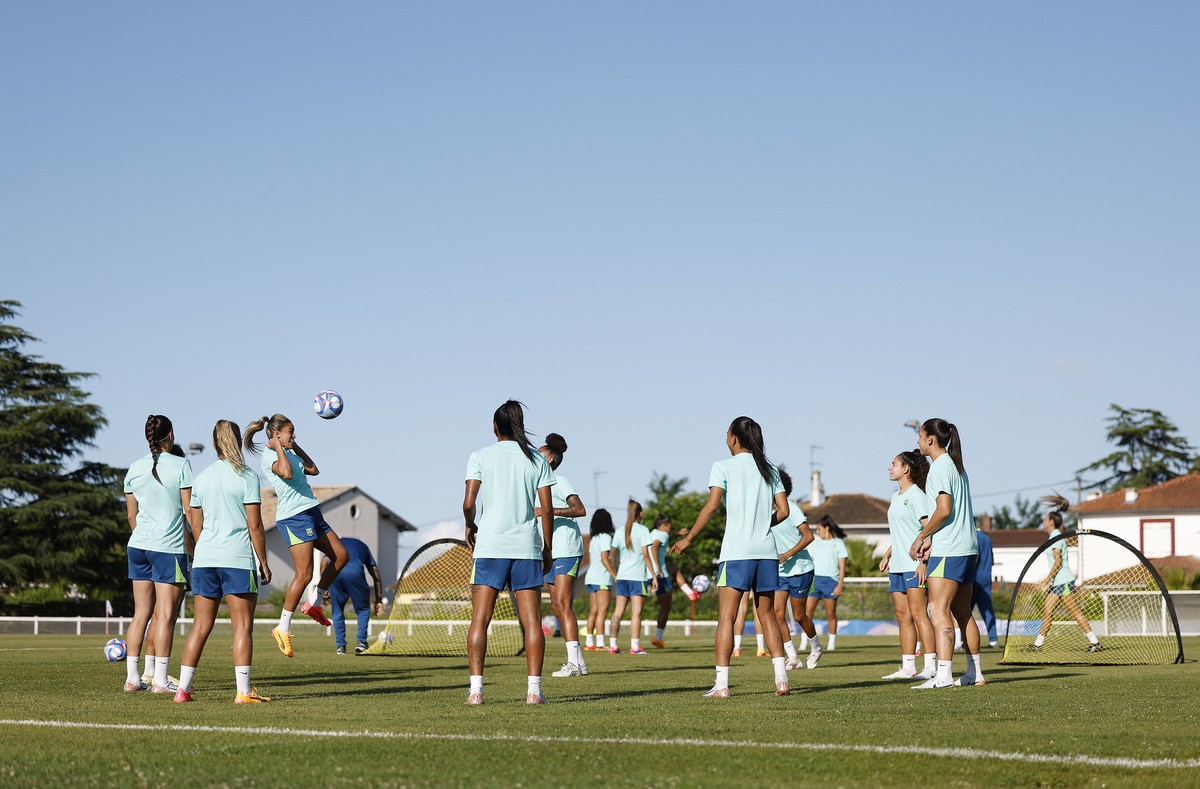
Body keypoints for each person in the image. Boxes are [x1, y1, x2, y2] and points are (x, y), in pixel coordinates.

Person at [671, 416, 791, 698]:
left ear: (735, 439)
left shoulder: (722, 466)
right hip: (767, 554)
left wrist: (689, 538)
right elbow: (783, 511)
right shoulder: (770, 469)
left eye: (726, 434)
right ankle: (782, 679)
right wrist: (763, 524)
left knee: (726, 616)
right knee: (768, 616)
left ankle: (722, 685)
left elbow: (711, 507)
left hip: (736, 553)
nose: (726, 439)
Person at [462, 400, 555, 705]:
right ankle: (533, 690)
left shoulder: (479, 456)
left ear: (494, 427)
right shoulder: (537, 460)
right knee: (531, 621)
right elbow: (548, 509)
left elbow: (468, 502)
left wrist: (470, 525)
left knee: (480, 619)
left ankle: (476, 690)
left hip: (490, 546)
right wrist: (548, 548)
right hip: (526, 548)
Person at [174, 420, 272, 704]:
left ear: (214, 443)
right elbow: (255, 527)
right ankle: (243, 692)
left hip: (205, 560)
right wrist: (263, 562)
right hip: (237, 560)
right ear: (237, 441)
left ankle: (183, 690)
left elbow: (196, 526)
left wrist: (203, 551)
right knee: (242, 626)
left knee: (200, 627)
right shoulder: (247, 477)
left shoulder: (202, 478)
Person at [245, 414, 349, 659]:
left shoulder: (290, 450)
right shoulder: (270, 456)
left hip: (311, 511)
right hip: (294, 518)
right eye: (291, 431)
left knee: (342, 555)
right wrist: (279, 446)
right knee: (303, 574)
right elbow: (287, 474)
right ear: (277, 433)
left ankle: (314, 602)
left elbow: (313, 469)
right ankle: (282, 628)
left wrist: (294, 446)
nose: (294, 435)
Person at [909, 418, 984, 689]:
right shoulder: (957, 467)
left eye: (919, 436)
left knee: (936, 609)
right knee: (962, 612)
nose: (917, 441)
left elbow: (943, 509)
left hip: (950, 549)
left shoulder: (940, 467)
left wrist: (922, 535)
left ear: (931, 439)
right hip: (967, 548)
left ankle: (943, 675)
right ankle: (975, 673)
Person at [122, 415, 192, 693]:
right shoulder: (182, 464)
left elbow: (131, 515)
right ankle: (160, 681)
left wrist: (146, 536)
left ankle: (131, 679)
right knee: (164, 615)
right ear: (171, 435)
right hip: (168, 549)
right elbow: (189, 511)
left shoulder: (134, 468)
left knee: (140, 615)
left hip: (138, 545)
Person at [879, 450, 937, 680]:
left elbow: (929, 532)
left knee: (918, 614)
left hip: (915, 565)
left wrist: (924, 563)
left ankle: (931, 666)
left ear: (906, 469)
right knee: (902, 616)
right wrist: (888, 554)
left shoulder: (917, 496)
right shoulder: (895, 497)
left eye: (893, 464)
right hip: (898, 566)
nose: (889, 467)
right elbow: (903, 533)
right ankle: (908, 667)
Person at [536, 433, 589, 678]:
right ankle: (579, 662)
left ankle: (574, 664)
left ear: (549, 459)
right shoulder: (538, 487)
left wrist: (547, 510)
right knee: (557, 606)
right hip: (548, 552)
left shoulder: (559, 481)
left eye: (539, 453)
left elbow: (580, 509)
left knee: (563, 605)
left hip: (567, 550)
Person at [1031, 494, 1103, 653]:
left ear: (1051, 521)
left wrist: (1045, 581)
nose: (1043, 522)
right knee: (1048, 612)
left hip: (1063, 581)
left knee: (1074, 611)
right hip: (1057, 582)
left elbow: (1058, 562)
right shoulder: (1054, 537)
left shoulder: (1056, 537)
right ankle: (1038, 645)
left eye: (1045, 519)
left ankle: (1095, 642)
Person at [769, 469, 820, 670]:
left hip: (800, 569)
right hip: (780, 572)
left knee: (799, 616)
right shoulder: (766, 513)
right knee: (776, 613)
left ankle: (816, 647)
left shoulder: (792, 508)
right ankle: (793, 658)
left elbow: (809, 536)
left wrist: (787, 554)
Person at [321, 537, 385, 655]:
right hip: (355, 573)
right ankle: (361, 642)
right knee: (363, 610)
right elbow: (375, 574)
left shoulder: (336, 542)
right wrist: (378, 600)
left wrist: (324, 586)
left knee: (337, 610)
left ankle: (340, 646)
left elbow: (324, 563)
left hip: (336, 572)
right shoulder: (363, 546)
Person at [609, 500, 654, 655]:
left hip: (622, 577)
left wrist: (615, 574)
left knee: (617, 612)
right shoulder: (643, 530)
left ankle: (613, 645)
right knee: (636, 613)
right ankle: (635, 647)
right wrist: (654, 576)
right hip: (637, 577)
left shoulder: (620, 531)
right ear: (640, 513)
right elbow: (646, 556)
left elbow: (610, 557)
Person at [806, 516, 847, 651]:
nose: (817, 532)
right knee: (806, 613)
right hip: (815, 580)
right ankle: (804, 642)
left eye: (819, 529)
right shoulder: (815, 544)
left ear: (826, 528)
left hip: (831, 581)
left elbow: (842, 566)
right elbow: (809, 562)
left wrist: (840, 584)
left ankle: (831, 643)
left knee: (830, 613)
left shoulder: (838, 543)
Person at [583, 509, 618, 652]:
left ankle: (589, 643)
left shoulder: (594, 539)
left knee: (594, 611)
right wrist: (616, 576)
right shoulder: (606, 537)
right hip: (602, 578)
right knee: (602, 611)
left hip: (590, 577)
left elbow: (592, 560)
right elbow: (605, 559)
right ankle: (600, 643)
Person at [646, 515, 675, 649]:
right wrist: (658, 568)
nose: (670, 529)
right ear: (664, 526)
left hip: (647, 574)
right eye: (670, 526)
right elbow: (654, 548)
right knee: (666, 607)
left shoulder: (652, 533)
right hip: (659, 574)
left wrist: (677, 534)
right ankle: (658, 638)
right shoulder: (663, 534)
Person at [973, 526, 998, 648]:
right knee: (988, 610)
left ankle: (961, 641)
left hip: (974, 579)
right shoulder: (987, 539)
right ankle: (993, 640)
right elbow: (992, 560)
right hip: (986, 578)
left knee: (964, 611)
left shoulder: (972, 537)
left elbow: (974, 557)